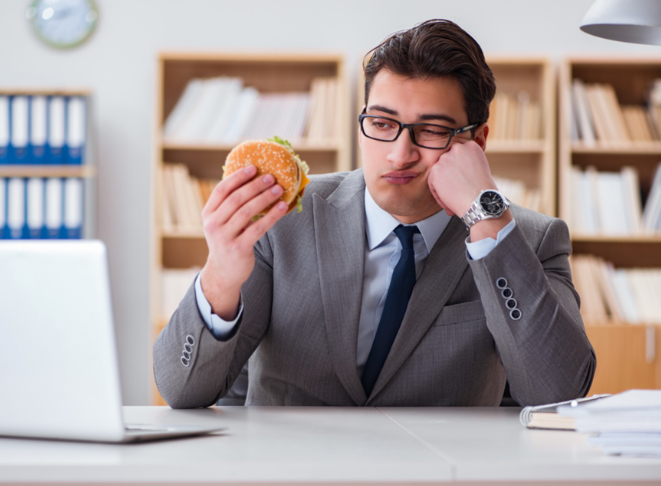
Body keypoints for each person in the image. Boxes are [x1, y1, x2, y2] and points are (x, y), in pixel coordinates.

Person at [153, 19, 596, 408]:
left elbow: (558, 395)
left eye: (432, 131)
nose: (399, 155)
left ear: (476, 142)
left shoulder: (532, 241)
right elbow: (180, 390)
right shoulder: (284, 217)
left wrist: (488, 218)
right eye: (382, 125)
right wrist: (220, 276)